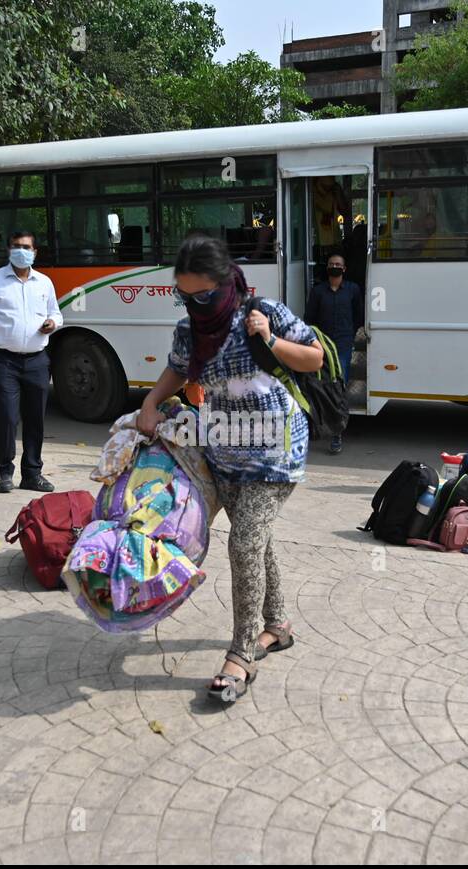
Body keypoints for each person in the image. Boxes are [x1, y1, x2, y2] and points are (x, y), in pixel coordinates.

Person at [138, 235, 324, 704]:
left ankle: (241, 654)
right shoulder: (189, 330)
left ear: (225, 285)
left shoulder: (263, 313)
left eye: (204, 296)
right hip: (224, 453)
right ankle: (277, 626)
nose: (196, 305)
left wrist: (271, 339)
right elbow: (178, 370)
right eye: (185, 296)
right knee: (256, 540)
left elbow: (315, 357)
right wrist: (150, 400)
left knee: (243, 544)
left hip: (276, 453)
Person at [0, 230, 60, 493]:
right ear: (9, 250)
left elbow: (56, 313)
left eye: (26, 247)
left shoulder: (44, 282)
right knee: (6, 417)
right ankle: (4, 473)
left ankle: (32, 473)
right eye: (16, 246)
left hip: (37, 360)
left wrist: (53, 323)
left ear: (35, 252)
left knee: (35, 419)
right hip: (4, 360)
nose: (22, 251)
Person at [303, 251, 362, 453]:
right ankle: (318, 426)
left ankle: (337, 434)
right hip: (323, 345)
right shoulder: (318, 292)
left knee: (339, 385)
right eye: (331, 263)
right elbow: (309, 318)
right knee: (320, 385)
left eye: (338, 264)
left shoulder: (353, 290)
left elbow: (358, 315)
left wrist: (352, 333)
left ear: (344, 269)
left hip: (344, 345)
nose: (334, 266)